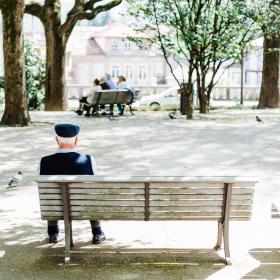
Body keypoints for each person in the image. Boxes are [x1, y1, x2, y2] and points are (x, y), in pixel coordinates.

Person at [39, 124, 105, 244]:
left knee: (51, 196)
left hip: (56, 208)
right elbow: (96, 182)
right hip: (83, 207)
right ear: (77, 140)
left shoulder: (44, 161)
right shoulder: (88, 160)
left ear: (56, 140)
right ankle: (97, 232)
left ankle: (53, 233)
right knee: (92, 194)